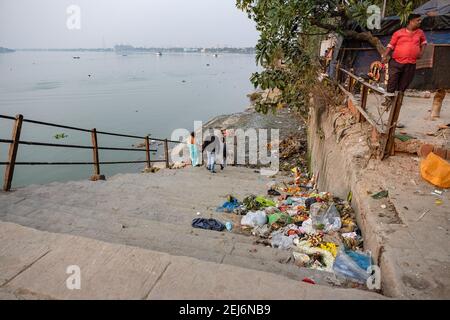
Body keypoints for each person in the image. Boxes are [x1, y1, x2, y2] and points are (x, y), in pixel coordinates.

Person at [381, 14, 427, 106]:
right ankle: (388, 100)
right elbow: (390, 45)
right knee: (392, 81)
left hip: (411, 63)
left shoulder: (420, 33)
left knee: (404, 83)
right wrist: (384, 55)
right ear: (411, 21)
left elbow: (424, 43)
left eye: (420, 20)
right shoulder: (398, 33)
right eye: (418, 20)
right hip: (396, 62)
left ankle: (398, 101)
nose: (420, 22)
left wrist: (421, 53)